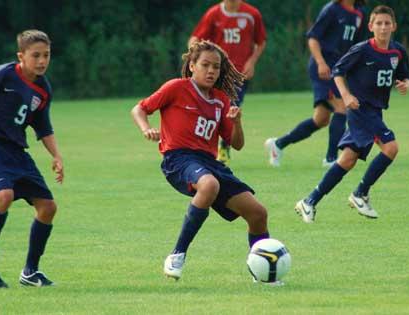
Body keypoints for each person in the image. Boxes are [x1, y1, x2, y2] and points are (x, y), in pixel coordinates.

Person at [131, 40, 272, 281]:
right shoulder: (176, 88)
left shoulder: (221, 100)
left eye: (216, 67)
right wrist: (146, 128)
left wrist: (236, 122)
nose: (211, 71)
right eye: (205, 65)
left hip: (210, 162)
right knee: (209, 185)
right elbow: (139, 109)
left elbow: (236, 144)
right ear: (192, 66)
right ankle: (177, 255)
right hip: (178, 158)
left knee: (258, 214)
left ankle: (264, 271)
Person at [294, 5, 409, 223]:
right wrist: (346, 96)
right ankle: (360, 193)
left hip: (375, 111)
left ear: (393, 26)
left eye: (387, 23)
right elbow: (338, 71)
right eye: (379, 23)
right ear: (371, 26)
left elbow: (404, 76)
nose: (383, 27)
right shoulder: (362, 49)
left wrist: (405, 84)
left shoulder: (398, 51)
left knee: (347, 160)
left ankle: (309, 201)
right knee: (391, 147)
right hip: (360, 109)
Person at [0, 30, 63, 288]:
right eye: (35, 55)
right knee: (4, 195)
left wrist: (56, 156)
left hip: (15, 152)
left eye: (46, 55)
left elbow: (43, 127)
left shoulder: (43, 88)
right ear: (20, 56)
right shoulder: (2, 75)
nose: (42, 61)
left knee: (48, 207)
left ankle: (30, 272)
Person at [265, 0, 366, 167]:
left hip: (338, 69)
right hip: (324, 68)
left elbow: (357, 46)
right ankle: (331, 158)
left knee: (321, 119)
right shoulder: (332, 9)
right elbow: (313, 38)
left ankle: (279, 144)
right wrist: (320, 62)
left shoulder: (360, 12)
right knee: (342, 107)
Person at [189, 0, 267, 164]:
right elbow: (195, 38)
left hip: (238, 74)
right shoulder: (214, 14)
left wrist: (251, 62)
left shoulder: (252, 14)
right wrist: (195, 59)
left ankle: (224, 147)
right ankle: (201, 147)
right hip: (215, 72)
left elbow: (261, 41)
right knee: (209, 109)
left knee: (231, 109)